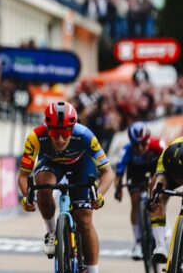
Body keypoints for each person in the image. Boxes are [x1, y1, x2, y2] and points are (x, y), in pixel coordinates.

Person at [17, 101, 115, 273]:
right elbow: (24, 176)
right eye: (55, 133)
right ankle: (52, 232)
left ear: (73, 128)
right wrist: (27, 197)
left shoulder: (85, 135)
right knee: (43, 185)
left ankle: (93, 270)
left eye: (65, 133)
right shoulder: (35, 137)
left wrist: (99, 194)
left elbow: (108, 172)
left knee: (84, 221)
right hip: (51, 164)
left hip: (80, 165)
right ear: (47, 128)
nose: (60, 139)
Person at [114, 121, 165, 260]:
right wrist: (118, 189)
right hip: (135, 172)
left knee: (157, 195)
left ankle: (163, 224)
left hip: (154, 168)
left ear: (148, 139)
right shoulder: (127, 150)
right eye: (136, 145)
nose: (141, 148)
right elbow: (118, 174)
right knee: (135, 201)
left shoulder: (158, 144)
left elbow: (167, 160)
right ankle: (137, 242)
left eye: (143, 143)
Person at [149, 137, 183, 263]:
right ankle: (160, 246)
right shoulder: (165, 157)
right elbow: (160, 181)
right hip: (171, 169)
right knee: (156, 193)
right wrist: (156, 198)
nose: (179, 179)